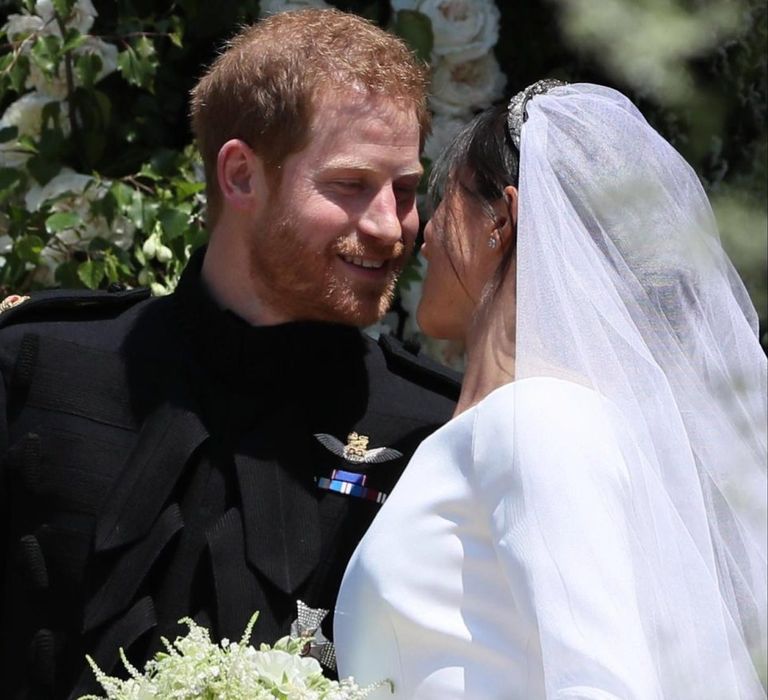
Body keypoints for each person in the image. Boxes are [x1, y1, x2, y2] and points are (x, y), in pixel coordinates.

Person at [0, 9, 459, 699]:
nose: (390, 227)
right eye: (350, 185)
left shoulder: (430, 429)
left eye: (404, 190)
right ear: (242, 176)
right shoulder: (40, 368)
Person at [335, 81, 768, 698]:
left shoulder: (538, 421)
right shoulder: (523, 424)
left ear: (503, 219)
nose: (422, 235)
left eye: (444, 202)